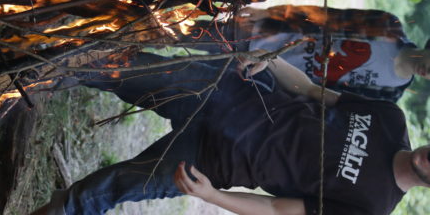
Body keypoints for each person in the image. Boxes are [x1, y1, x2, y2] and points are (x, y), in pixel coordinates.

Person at [30, 51, 430, 215]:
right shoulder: (390, 119)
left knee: (97, 194)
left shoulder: (371, 208)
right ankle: (26, 65)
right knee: (117, 66)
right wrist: (273, 61)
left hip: (210, 161)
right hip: (225, 92)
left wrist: (211, 196)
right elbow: (311, 91)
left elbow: (278, 210)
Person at [186, 4, 429, 102]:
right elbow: (325, 15)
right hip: (261, 36)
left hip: (260, 79)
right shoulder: (388, 27)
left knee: (186, 74)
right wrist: (271, 13)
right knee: (181, 34)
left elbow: (323, 100)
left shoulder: (390, 94)